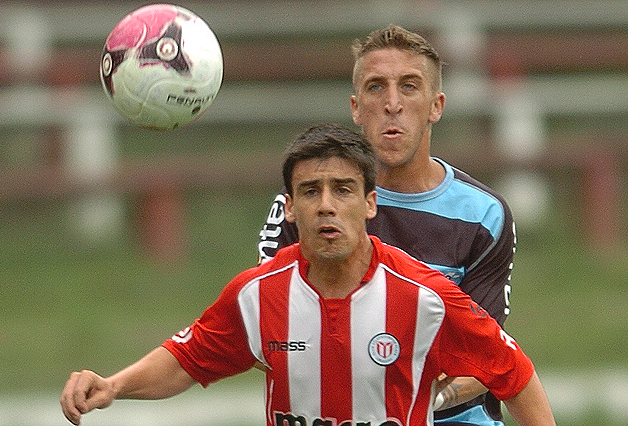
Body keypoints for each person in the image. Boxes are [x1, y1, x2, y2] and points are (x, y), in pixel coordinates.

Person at [60, 123, 556, 426]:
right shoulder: (256, 294)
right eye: (310, 191)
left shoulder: (423, 296)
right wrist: (113, 386)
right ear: (290, 208)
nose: (326, 206)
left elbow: (515, 374)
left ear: (369, 204)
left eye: (342, 190)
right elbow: (188, 359)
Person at [258, 25, 516, 426]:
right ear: (356, 107)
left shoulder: (484, 215)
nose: (392, 104)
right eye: (377, 88)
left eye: (409, 87)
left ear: (436, 105)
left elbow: (490, 358)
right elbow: (267, 332)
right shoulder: (310, 203)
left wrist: (419, 402)